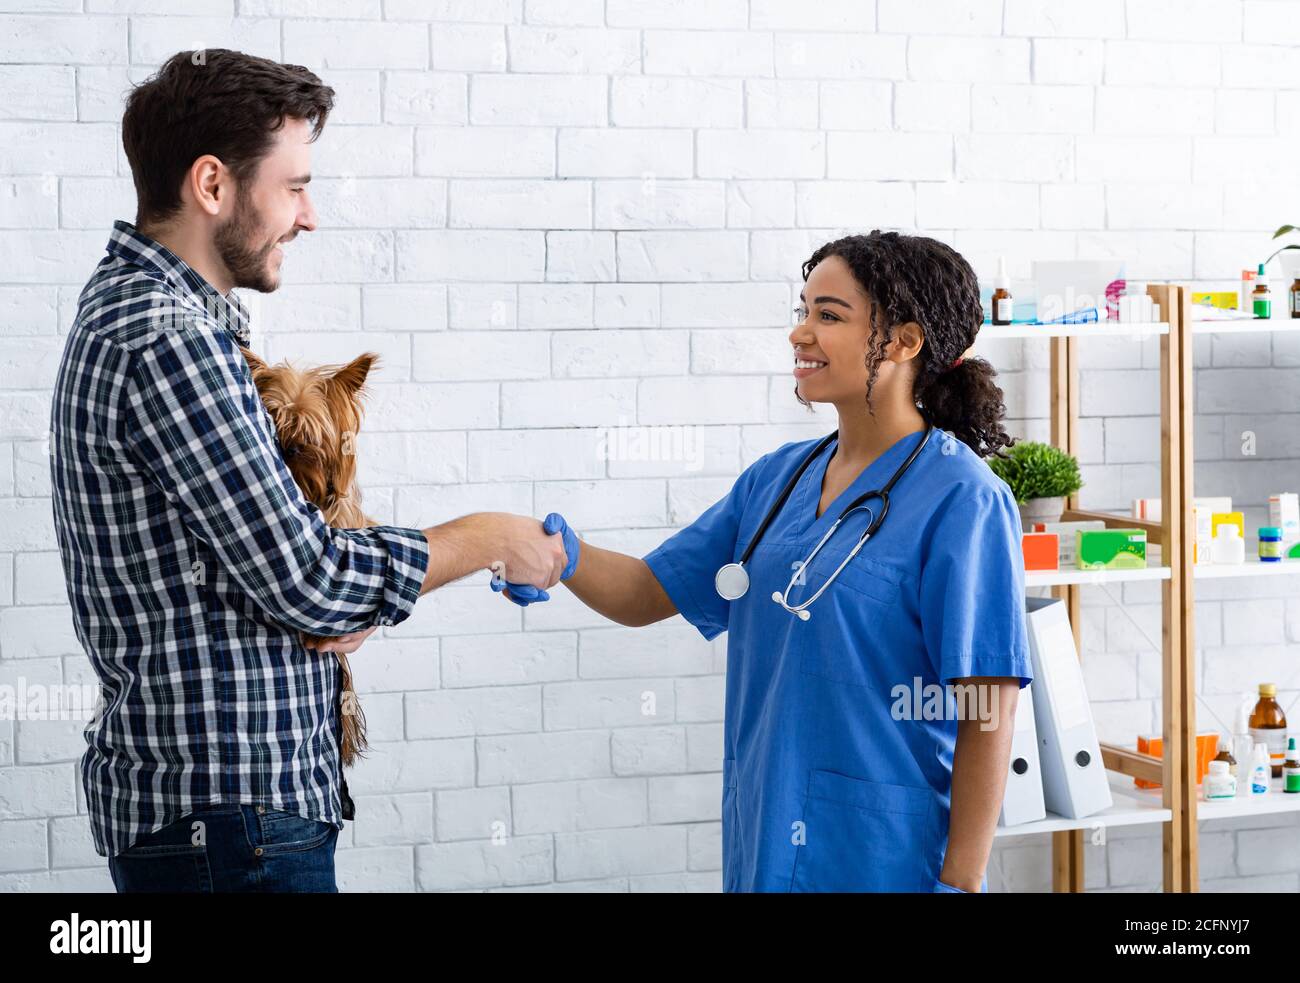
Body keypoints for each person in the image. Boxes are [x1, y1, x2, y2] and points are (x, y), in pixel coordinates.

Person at [49, 49, 567, 893]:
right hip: (232, 821)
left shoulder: (151, 320)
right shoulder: (169, 339)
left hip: (220, 822)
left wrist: (340, 598)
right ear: (212, 185)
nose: (310, 215)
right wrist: (488, 538)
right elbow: (308, 580)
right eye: (293, 186)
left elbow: (265, 571)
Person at [500, 231, 1033, 893]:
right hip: (765, 831)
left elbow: (988, 706)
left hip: (886, 856)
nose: (800, 334)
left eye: (829, 315)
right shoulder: (776, 481)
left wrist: (961, 882)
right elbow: (645, 590)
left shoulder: (963, 499)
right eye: (803, 311)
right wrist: (561, 554)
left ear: (904, 341)